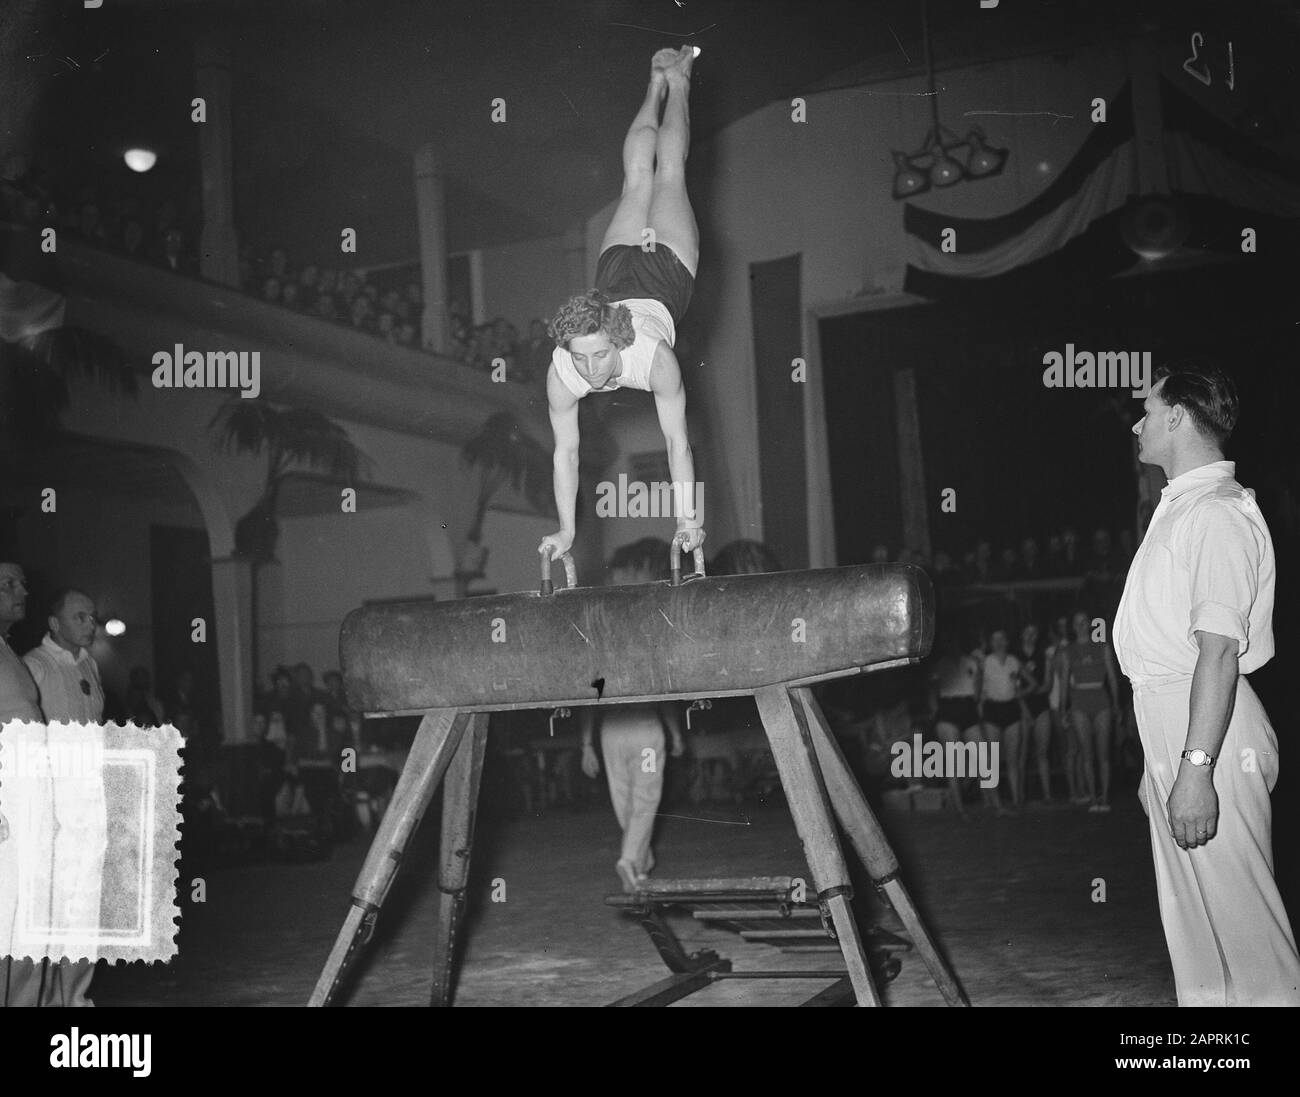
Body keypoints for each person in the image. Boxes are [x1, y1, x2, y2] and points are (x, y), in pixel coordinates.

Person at [1114, 359, 1300, 1006]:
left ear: (1177, 417)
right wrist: (1160, 763)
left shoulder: (1218, 512)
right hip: (1180, 725)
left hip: (1212, 730)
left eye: (1147, 408)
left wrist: (1195, 765)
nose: (1137, 422)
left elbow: (1217, 653)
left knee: (1248, 938)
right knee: (1196, 934)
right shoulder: (1184, 508)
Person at [539, 46, 706, 568]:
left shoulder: (653, 359)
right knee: (635, 179)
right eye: (581, 358)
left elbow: (678, 443)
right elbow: (564, 453)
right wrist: (567, 529)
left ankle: (678, 81)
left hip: (664, 272)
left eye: (598, 356)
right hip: (612, 278)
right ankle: (654, 81)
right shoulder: (564, 370)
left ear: (615, 338)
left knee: (668, 174)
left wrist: (687, 518)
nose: (590, 370)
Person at [577, 539, 684, 891]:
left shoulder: (603, 636)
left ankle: (639, 861)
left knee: (627, 803)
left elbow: (591, 694)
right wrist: (676, 733)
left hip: (612, 734)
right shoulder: (646, 632)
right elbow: (663, 691)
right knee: (642, 801)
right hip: (643, 734)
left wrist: (587, 745)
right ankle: (633, 859)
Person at [22, 587, 107, 1007]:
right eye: (80, 617)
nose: (90, 624)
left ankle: (76, 999)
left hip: (89, 807)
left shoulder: (88, 663)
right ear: (54, 624)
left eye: (92, 617)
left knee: (85, 911)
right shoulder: (33, 667)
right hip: (54, 810)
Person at [0, 562, 46, 1007]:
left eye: (22, 583)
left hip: (29, 800)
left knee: (29, 922)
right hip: (7, 808)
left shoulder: (7, 648)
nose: (21, 592)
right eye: (8, 585)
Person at [1062, 609, 1119, 812]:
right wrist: (1063, 710)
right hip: (1079, 701)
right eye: (1076, 622)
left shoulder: (1102, 646)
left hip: (1100, 698)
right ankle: (1093, 798)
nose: (1081, 625)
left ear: (1090, 623)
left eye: (1084, 621)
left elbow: (1112, 678)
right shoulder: (1068, 650)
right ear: (1072, 626)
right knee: (1086, 753)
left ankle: (1104, 798)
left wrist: (1116, 705)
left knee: (1103, 753)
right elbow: (1064, 684)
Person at [978, 629, 1022, 810]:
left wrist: (1024, 711)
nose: (997, 642)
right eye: (993, 639)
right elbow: (979, 689)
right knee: (992, 759)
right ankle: (996, 805)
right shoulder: (985, 661)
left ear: (1006, 641)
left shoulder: (1014, 661)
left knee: (1012, 759)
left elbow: (1017, 687)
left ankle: (1017, 801)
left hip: (1011, 709)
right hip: (992, 710)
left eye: (1001, 638)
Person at [1015, 623, 1054, 804]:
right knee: (1021, 754)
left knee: (1042, 752)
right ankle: (1020, 796)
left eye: (1034, 632)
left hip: (1041, 707)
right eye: (1027, 632)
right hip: (1022, 708)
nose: (1030, 636)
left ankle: (1047, 795)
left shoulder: (1043, 655)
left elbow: (1047, 685)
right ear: (1022, 634)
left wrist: (1030, 688)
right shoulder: (1015, 657)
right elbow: (1014, 690)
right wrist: (1031, 690)